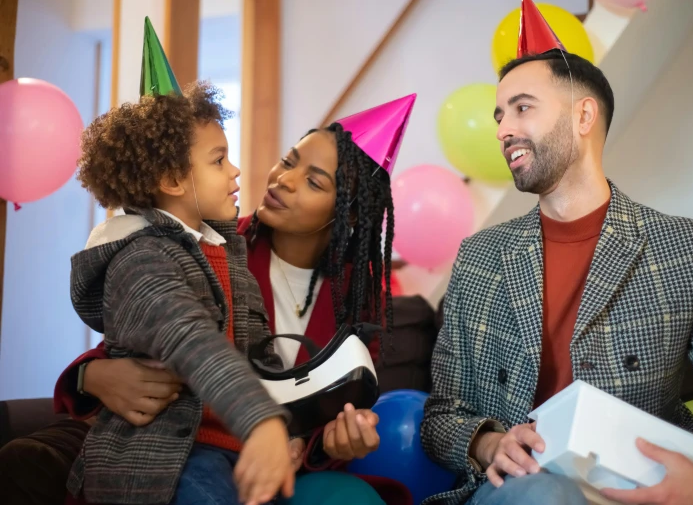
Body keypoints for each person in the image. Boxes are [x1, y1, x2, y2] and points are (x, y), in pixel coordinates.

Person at [420, 0, 693, 505]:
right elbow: (440, 417)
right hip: (517, 493)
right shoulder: (479, 256)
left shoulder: (688, 249)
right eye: (499, 114)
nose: (503, 129)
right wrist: (488, 442)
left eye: (522, 108)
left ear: (584, 116)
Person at [0, 94, 418, 505]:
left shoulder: (360, 299)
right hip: (164, 438)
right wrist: (91, 378)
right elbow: (168, 332)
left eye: (313, 181)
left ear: (346, 213)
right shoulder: (207, 243)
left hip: (254, 454)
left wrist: (319, 443)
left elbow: (286, 383)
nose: (282, 180)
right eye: (289, 161)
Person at [62, 18, 294, 505]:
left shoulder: (227, 252)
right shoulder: (139, 261)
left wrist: (287, 425)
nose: (234, 171)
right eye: (217, 160)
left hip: (235, 447)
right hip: (166, 461)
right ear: (171, 178)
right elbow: (191, 339)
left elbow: (261, 358)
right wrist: (261, 421)